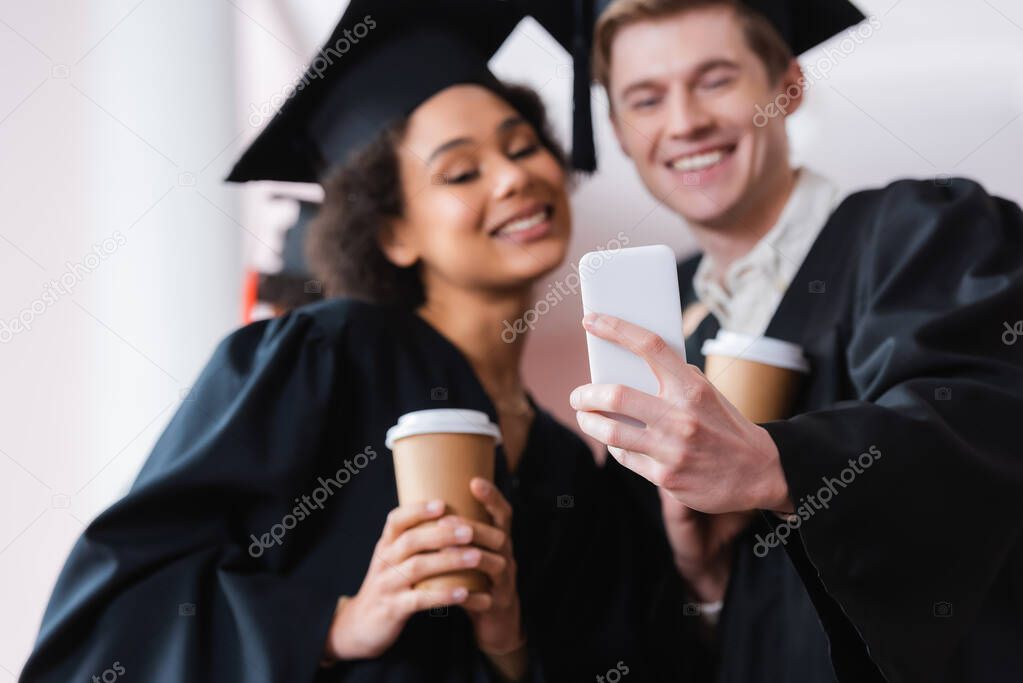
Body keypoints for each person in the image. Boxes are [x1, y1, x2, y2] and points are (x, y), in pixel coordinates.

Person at [20, 2, 701, 681]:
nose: (512, 175)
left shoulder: (564, 463)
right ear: (392, 232)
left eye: (522, 146)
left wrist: (507, 642)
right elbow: (115, 616)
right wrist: (333, 623)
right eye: (460, 172)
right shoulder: (321, 356)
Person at [568, 0, 1023, 681]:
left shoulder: (919, 231)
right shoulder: (659, 325)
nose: (684, 121)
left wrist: (777, 465)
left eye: (715, 79)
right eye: (645, 98)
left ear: (786, 85)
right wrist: (701, 573)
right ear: (618, 130)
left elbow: (981, 425)